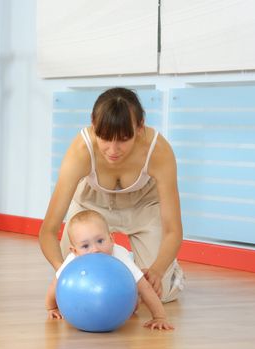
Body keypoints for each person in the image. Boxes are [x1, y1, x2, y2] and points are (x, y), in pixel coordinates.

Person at [39, 87, 184, 303]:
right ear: (93, 124)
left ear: (140, 126)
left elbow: (173, 229)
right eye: (105, 138)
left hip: (143, 205)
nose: (113, 150)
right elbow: (48, 230)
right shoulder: (80, 150)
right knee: (78, 284)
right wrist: (62, 271)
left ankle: (173, 274)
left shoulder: (158, 151)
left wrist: (158, 270)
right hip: (91, 204)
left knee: (155, 293)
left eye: (124, 139)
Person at [45, 210, 174, 330]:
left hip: (120, 285)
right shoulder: (72, 260)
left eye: (100, 241)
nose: (95, 249)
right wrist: (52, 307)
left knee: (135, 301)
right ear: (74, 251)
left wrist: (159, 317)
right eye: (85, 246)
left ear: (111, 239)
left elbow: (145, 287)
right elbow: (55, 284)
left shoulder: (120, 257)